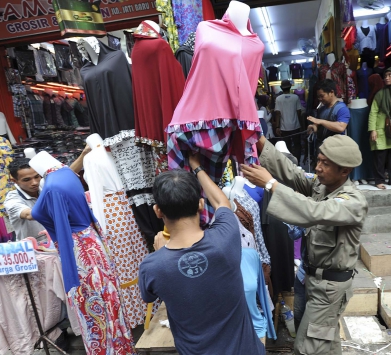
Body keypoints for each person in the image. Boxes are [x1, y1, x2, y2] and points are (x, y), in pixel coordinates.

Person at [241, 134, 368, 355]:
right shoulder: (322, 185)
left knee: (308, 347)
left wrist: (270, 184)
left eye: (325, 164)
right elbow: (294, 173)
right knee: (318, 338)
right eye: (318, 160)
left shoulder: (353, 202)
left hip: (328, 288)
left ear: (345, 171)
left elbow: (314, 211)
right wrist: (256, 135)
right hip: (307, 278)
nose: (318, 168)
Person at [138, 155, 265, 355]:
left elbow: (149, 296)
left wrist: (160, 253)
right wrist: (197, 167)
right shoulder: (226, 238)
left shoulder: (153, 266)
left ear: (157, 211)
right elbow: (222, 202)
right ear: (200, 204)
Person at [4, 148, 91, 241]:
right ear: (14, 181)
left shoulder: (45, 185)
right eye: (27, 179)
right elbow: (29, 215)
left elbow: (64, 176)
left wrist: (84, 154)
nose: (34, 182)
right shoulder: (12, 199)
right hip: (35, 249)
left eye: (37, 177)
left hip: (59, 241)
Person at [274, 79, 303, 161]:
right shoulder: (295, 97)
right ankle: (297, 162)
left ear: (281, 88)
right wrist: (302, 125)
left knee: (287, 146)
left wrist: (277, 127)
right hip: (296, 126)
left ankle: (289, 163)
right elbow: (299, 112)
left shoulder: (278, 99)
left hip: (284, 127)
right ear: (290, 87)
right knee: (297, 145)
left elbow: (277, 113)